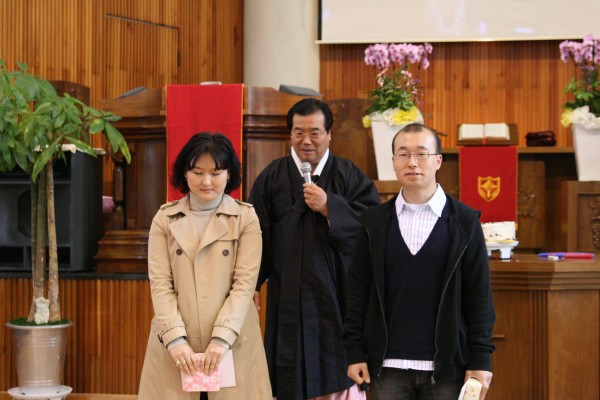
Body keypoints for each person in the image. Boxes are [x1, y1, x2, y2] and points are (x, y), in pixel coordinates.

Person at [343, 123, 496, 400]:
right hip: (387, 367)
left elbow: (479, 297)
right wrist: (354, 350)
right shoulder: (373, 223)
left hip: (447, 368)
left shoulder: (464, 222)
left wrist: (480, 359)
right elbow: (357, 292)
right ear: (393, 162)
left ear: (438, 160)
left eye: (422, 154)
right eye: (403, 154)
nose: (412, 162)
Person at [248, 98, 381, 399]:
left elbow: (373, 227)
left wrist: (330, 206)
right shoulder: (272, 178)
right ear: (290, 134)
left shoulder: (349, 175)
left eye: (315, 132)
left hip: (336, 296)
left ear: (329, 134)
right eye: (298, 132)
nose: (306, 141)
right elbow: (256, 234)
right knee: (288, 374)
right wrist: (253, 283)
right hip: (287, 297)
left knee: (338, 369)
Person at [138, 133, 271, 400]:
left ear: (229, 174)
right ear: (184, 173)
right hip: (177, 342)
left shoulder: (245, 217)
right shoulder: (164, 218)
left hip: (233, 341)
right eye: (198, 172)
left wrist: (221, 339)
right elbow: (160, 284)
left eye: (216, 172)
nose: (207, 181)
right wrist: (175, 340)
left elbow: (244, 285)